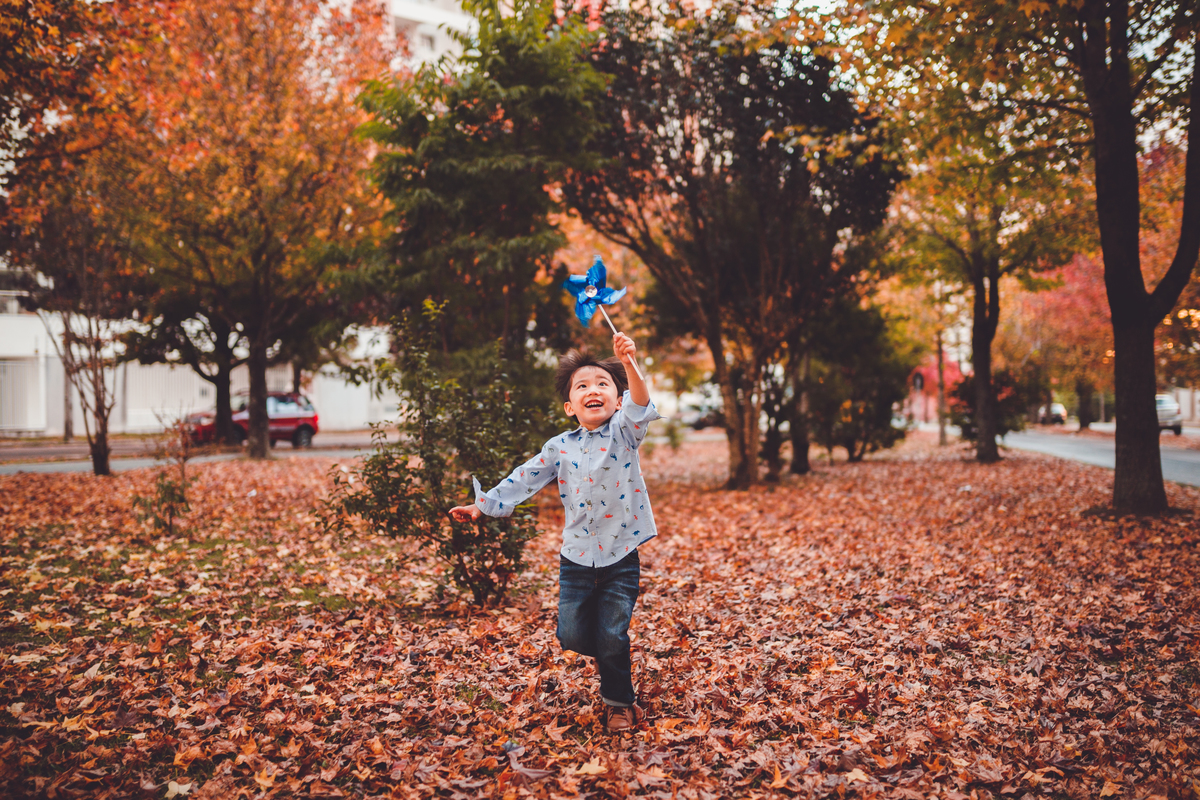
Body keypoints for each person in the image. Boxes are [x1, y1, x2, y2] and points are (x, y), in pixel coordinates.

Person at [449, 332, 661, 733]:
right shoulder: (559, 446)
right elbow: (523, 479)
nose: (593, 390)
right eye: (582, 386)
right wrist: (483, 505)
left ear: (617, 400)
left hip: (620, 555)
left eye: (603, 384)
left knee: (613, 634)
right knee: (572, 633)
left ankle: (619, 702)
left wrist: (629, 363)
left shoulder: (625, 433)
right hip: (577, 558)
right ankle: (609, 653)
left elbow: (640, 403)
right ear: (569, 406)